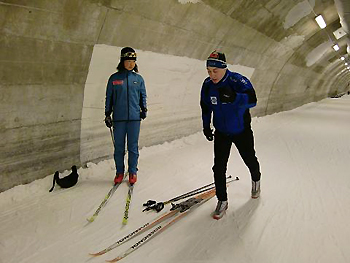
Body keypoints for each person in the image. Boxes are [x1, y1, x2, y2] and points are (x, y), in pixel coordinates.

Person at [200, 50, 261, 220]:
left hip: (241, 131)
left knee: (250, 159)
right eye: (209, 71)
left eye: (215, 71)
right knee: (218, 167)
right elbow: (205, 107)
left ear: (224, 68)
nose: (212, 75)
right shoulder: (207, 85)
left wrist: (235, 97)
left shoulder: (238, 81)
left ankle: (256, 181)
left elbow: (253, 100)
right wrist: (206, 126)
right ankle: (222, 200)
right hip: (221, 132)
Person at [104, 47, 147, 185]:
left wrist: (144, 108)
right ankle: (120, 172)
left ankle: (133, 171)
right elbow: (109, 97)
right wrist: (107, 113)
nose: (130, 64)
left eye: (133, 61)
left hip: (134, 118)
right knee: (119, 148)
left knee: (133, 147)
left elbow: (142, 95)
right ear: (122, 61)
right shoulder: (114, 78)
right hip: (119, 118)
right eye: (128, 61)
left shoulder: (138, 79)